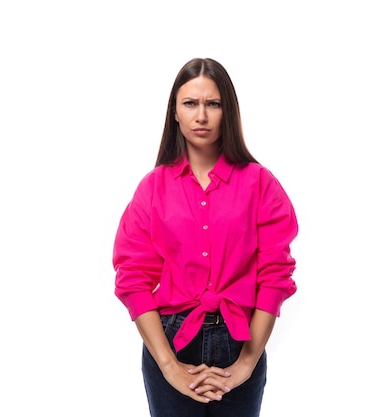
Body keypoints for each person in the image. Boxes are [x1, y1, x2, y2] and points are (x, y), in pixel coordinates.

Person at [112, 57, 298, 417]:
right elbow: (132, 278)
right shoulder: (153, 188)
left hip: (240, 338)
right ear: (175, 113)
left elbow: (274, 276)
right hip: (170, 339)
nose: (201, 116)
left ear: (228, 111)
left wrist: (246, 362)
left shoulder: (260, 184)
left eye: (213, 104)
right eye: (190, 103)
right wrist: (168, 366)